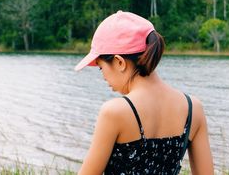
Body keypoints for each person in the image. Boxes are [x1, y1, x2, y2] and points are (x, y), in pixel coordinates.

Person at [74, 11, 214, 175]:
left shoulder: (115, 112)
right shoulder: (193, 108)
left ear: (119, 62)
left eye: (100, 67)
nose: (103, 76)